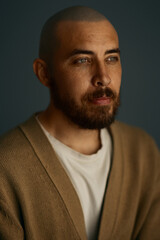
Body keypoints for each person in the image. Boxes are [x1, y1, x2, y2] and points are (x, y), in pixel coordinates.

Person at [0, 6, 159, 240]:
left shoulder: (142, 151)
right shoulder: (6, 168)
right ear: (44, 73)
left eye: (111, 58)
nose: (103, 77)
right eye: (82, 60)